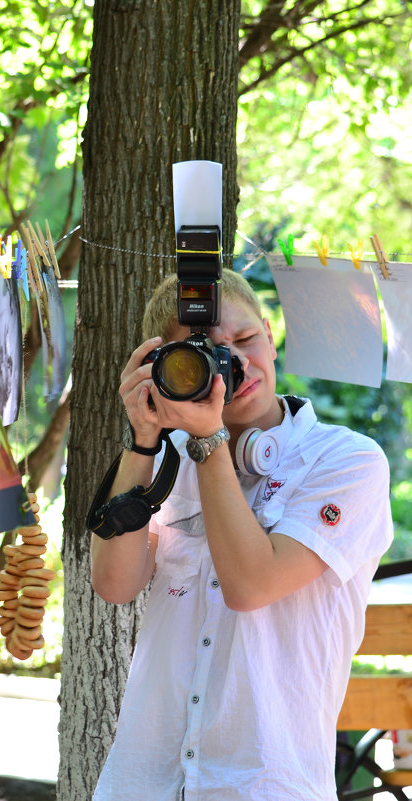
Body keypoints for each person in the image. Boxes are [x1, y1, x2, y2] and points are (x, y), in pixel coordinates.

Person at [90, 268, 393, 801]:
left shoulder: (347, 462)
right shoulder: (166, 462)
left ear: (271, 337)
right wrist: (143, 441)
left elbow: (252, 585)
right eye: (206, 355)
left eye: (246, 340)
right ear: (168, 369)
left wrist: (207, 443)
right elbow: (114, 584)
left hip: (264, 784)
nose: (236, 365)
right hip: (143, 781)